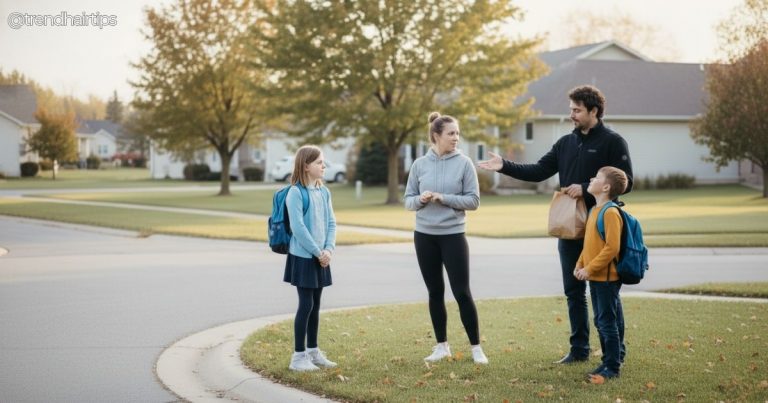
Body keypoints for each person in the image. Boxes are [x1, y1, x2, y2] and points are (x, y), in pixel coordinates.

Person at [477, 85, 633, 364]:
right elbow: (538, 171)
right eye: (570, 109)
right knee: (574, 290)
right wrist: (503, 165)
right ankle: (579, 350)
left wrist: (585, 187)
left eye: (577, 110)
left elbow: (627, 182)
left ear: (593, 111)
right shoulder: (565, 143)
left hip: (601, 228)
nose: (571, 114)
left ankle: (615, 352)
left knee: (604, 292)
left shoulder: (613, 141)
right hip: (569, 228)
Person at [404, 112, 488, 365]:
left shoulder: (464, 163)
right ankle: (442, 346)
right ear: (436, 136)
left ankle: (476, 349)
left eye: (457, 133)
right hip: (424, 236)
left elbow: (473, 201)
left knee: (462, 292)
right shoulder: (419, 164)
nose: (456, 138)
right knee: (434, 292)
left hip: (453, 236)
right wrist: (421, 200)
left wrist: (443, 198)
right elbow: (408, 200)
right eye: (451, 134)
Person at [283, 145, 338, 372]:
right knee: (305, 305)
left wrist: (329, 250)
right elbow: (298, 228)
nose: (323, 166)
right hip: (304, 257)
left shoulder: (324, 192)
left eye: (323, 162)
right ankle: (298, 357)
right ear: (306, 166)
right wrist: (318, 252)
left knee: (316, 306)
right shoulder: (295, 192)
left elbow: (332, 223)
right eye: (319, 163)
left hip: (322, 257)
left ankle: (313, 352)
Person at [574, 166, 629, 380]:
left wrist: (590, 268)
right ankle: (608, 360)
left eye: (596, 177)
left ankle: (612, 367)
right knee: (602, 321)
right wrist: (580, 264)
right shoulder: (594, 210)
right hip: (595, 277)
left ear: (605, 187)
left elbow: (611, 248)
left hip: (606, 279)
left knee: (606, 322)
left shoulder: (611, 212)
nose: (591, 178)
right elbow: (589, 245)